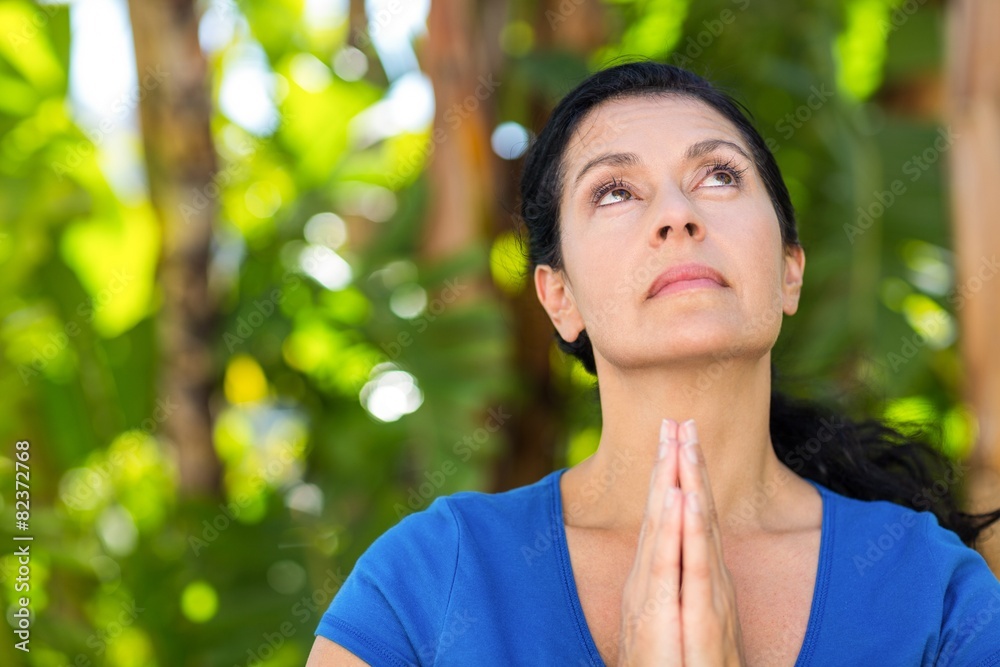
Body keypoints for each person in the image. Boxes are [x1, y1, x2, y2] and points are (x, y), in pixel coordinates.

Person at [306, 59, 1000, 666]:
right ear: (560, 298)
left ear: (790, 272)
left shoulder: (933, 590)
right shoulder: (428, 581)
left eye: (719, 176)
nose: (677, 213)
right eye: (615, 190)